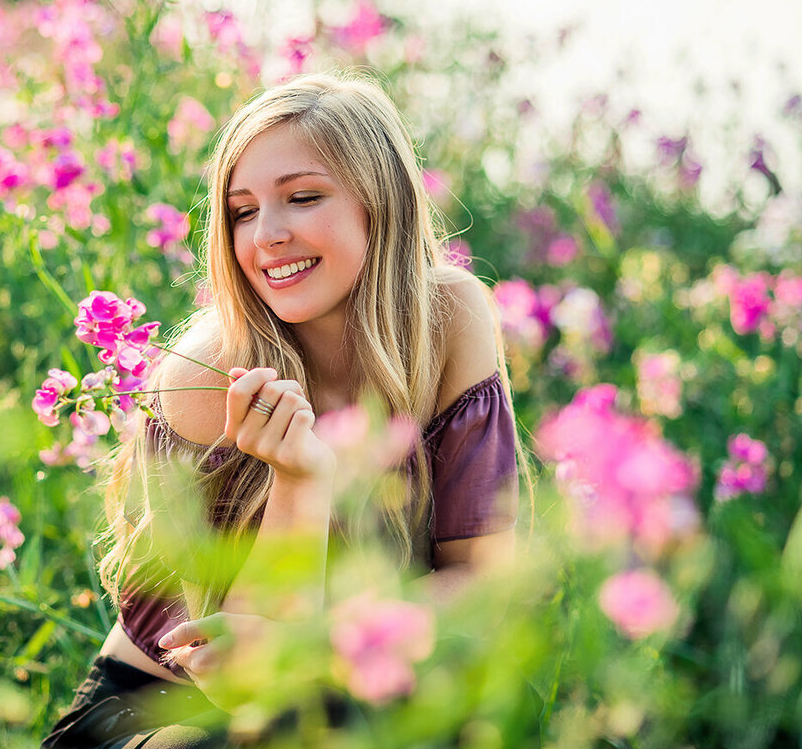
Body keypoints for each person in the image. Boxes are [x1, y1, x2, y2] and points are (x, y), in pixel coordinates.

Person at [43, 71, 521, 748]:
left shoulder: (448, 318)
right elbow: (247, 684)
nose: (266, 234)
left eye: (302, 197)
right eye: (242, 211)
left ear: (378, 204)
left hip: (337, 682)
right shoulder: (205, 380)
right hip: (169, 717)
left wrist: (321, 645)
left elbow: (482, 584)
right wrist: (298, 482)